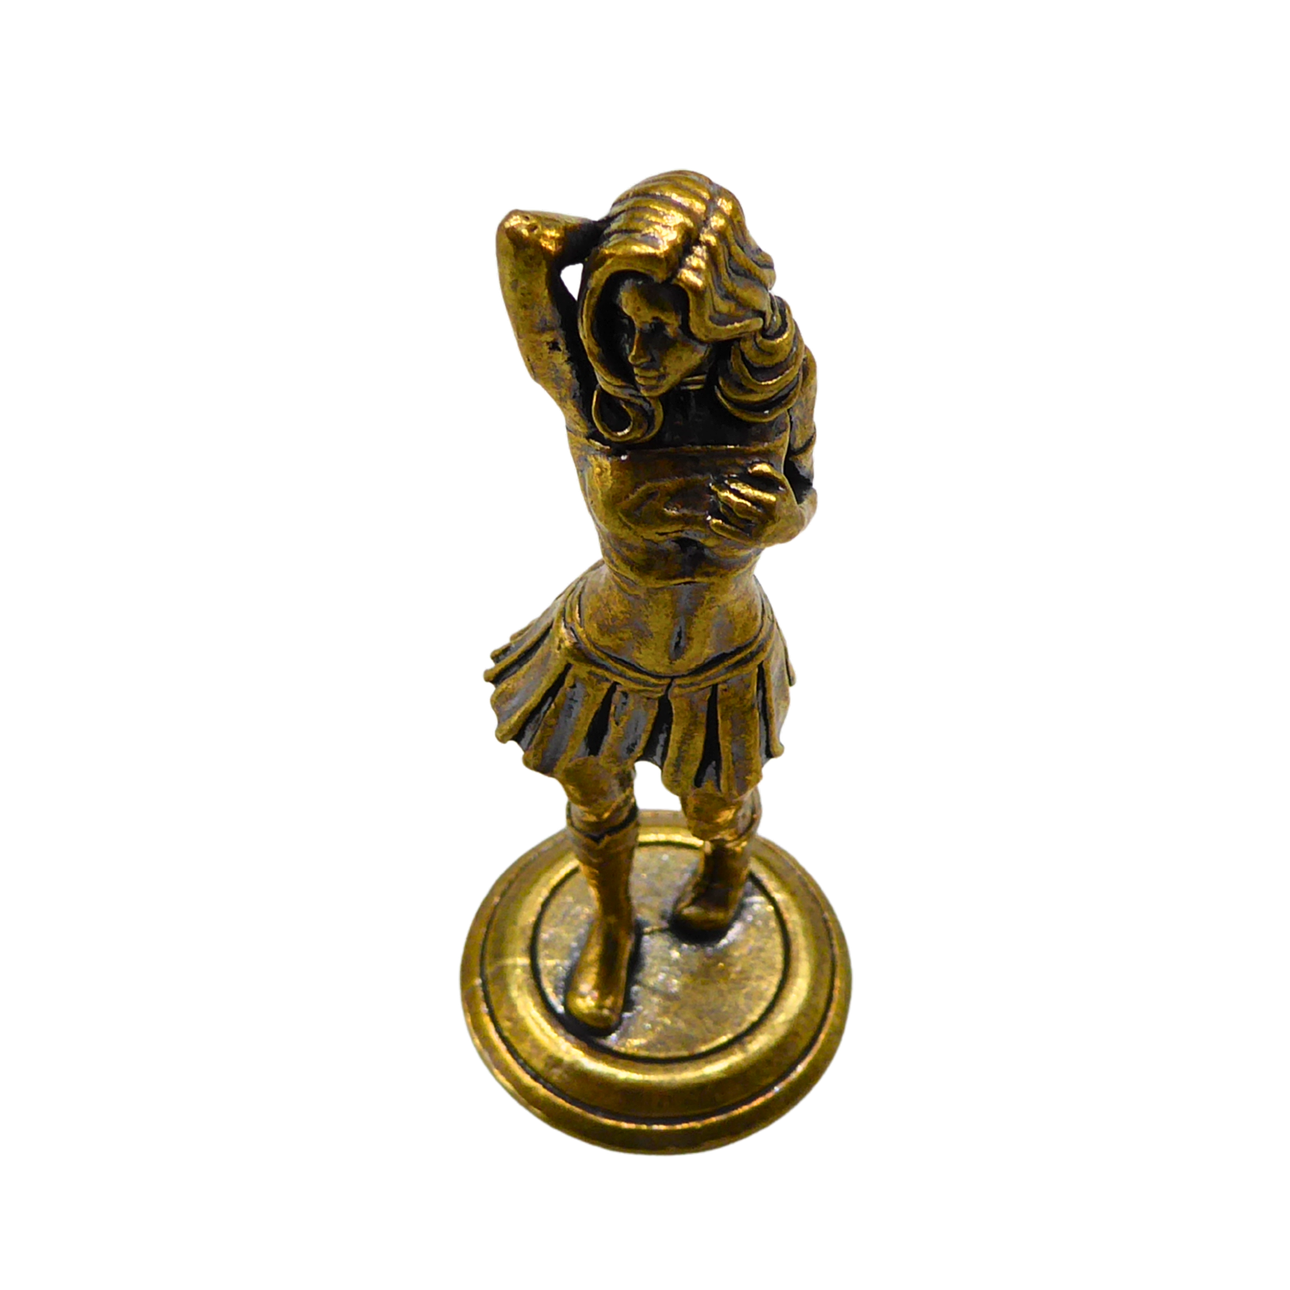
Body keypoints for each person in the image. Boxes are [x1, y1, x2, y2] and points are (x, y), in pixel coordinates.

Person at [486, 171, 818, 1031]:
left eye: (668, 330)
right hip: (604, 645)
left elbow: (805, 493)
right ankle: (613, 923)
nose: (639, 349)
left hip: (724, 653)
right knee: (594, 801)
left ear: (724, 319)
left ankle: (725, 869)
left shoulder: (777, 391)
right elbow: (523, 239)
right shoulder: (594, 396)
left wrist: (782, 520)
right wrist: (628, 242)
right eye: (627, 320)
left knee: (718, 805)